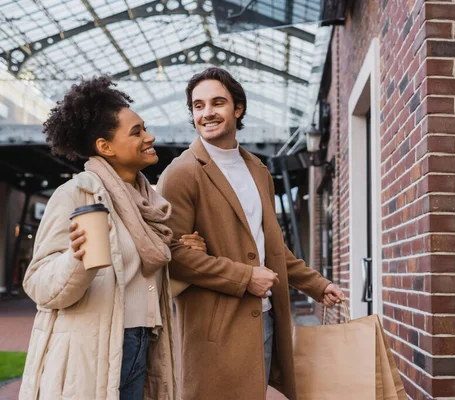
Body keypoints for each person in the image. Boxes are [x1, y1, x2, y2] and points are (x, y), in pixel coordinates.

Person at [156, 67, 345, 400]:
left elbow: (271, 247)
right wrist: (246, 278)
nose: (207, 113)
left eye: (217, 103)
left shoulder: (258, 170)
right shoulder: (181, 173)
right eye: (198, 106)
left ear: (237, 108)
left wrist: (318, 285)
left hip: (266, 319)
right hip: (216, 329)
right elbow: (173, 255)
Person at [18, 76, 205, 400]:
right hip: (93, 350)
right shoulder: (75, 194)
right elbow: (39, 285)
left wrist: (188, 260)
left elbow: (140, 284)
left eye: (144, 128)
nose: (150, 137)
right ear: (105, 147)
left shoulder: (148, 203)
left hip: (145, 343)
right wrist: (77, 258)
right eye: (137, 132)